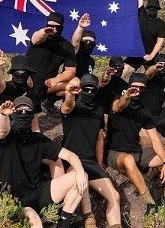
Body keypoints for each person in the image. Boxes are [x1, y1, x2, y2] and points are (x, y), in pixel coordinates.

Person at [0, 96, 88, 228]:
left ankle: (63, 223)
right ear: (13, 113)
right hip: (15, 199)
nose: (23, 114)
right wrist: (3, 115)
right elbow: (3, 130)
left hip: (38, 193)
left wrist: (79, 172)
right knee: (34, 219)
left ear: (32, 115)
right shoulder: (7, 138)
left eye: (27, 111)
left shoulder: (39, 140)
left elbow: (70, 155)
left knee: (82, 176)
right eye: (19, 110)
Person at [105, 73, 165, 211]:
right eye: (134, 87)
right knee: (129, 160)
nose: (137, 91)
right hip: (116, 153)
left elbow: (155, 140)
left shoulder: (144, 111)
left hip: (138, 152)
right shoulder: (118, 101)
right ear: (129, 87)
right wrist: (127, 95)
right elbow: (118, 106)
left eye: (141, 88)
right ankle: (150, 203)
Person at [61, 74, 122, 228]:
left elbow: (100, 138)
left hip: (90, 161)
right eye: (85, 89)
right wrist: (69, 93)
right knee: (82, 183)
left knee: (114, 196)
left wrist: (100, 163)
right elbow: (67, 106)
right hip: (71, 159)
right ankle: (89, 220)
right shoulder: (74, 107)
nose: (88, 92)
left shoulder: (99, 111)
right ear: (80, 90)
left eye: (92, 89)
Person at [0, 51, 39, 169]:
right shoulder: (7, 87)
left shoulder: (33, 94)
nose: (21, 74)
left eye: (24, 72)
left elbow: (35, 123)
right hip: (2, 124)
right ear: (12, 73)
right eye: (18, 71)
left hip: (23, 127)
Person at [26, 12, 77, 117]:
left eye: (56, 27)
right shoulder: (40, 38)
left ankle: (49, 102)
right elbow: (36, 38)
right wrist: (45, 32)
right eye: (50, 26)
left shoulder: (67, 46)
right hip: (28, 80)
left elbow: (70, 70)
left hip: (48, 84)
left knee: (75, 83)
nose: (53, 29)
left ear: (61, 27)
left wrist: (57, 79)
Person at [123, 0, 165, 78]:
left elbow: (160, 41)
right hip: (137, 52)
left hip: (151, 54)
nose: (152, 10)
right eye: (150, 8)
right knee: (123, 70)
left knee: (153, 77)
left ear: (157, 10)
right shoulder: (142, 14)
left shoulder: (160, 23)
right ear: (147, 8)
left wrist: (151, 56)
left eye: (155, 9)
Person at [70, 13, 96, 78]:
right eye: (85, 41)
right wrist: (80, 27)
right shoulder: (75, 55)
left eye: (91, 42)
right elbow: (74, 44)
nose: (88, 43)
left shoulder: (91, 61)